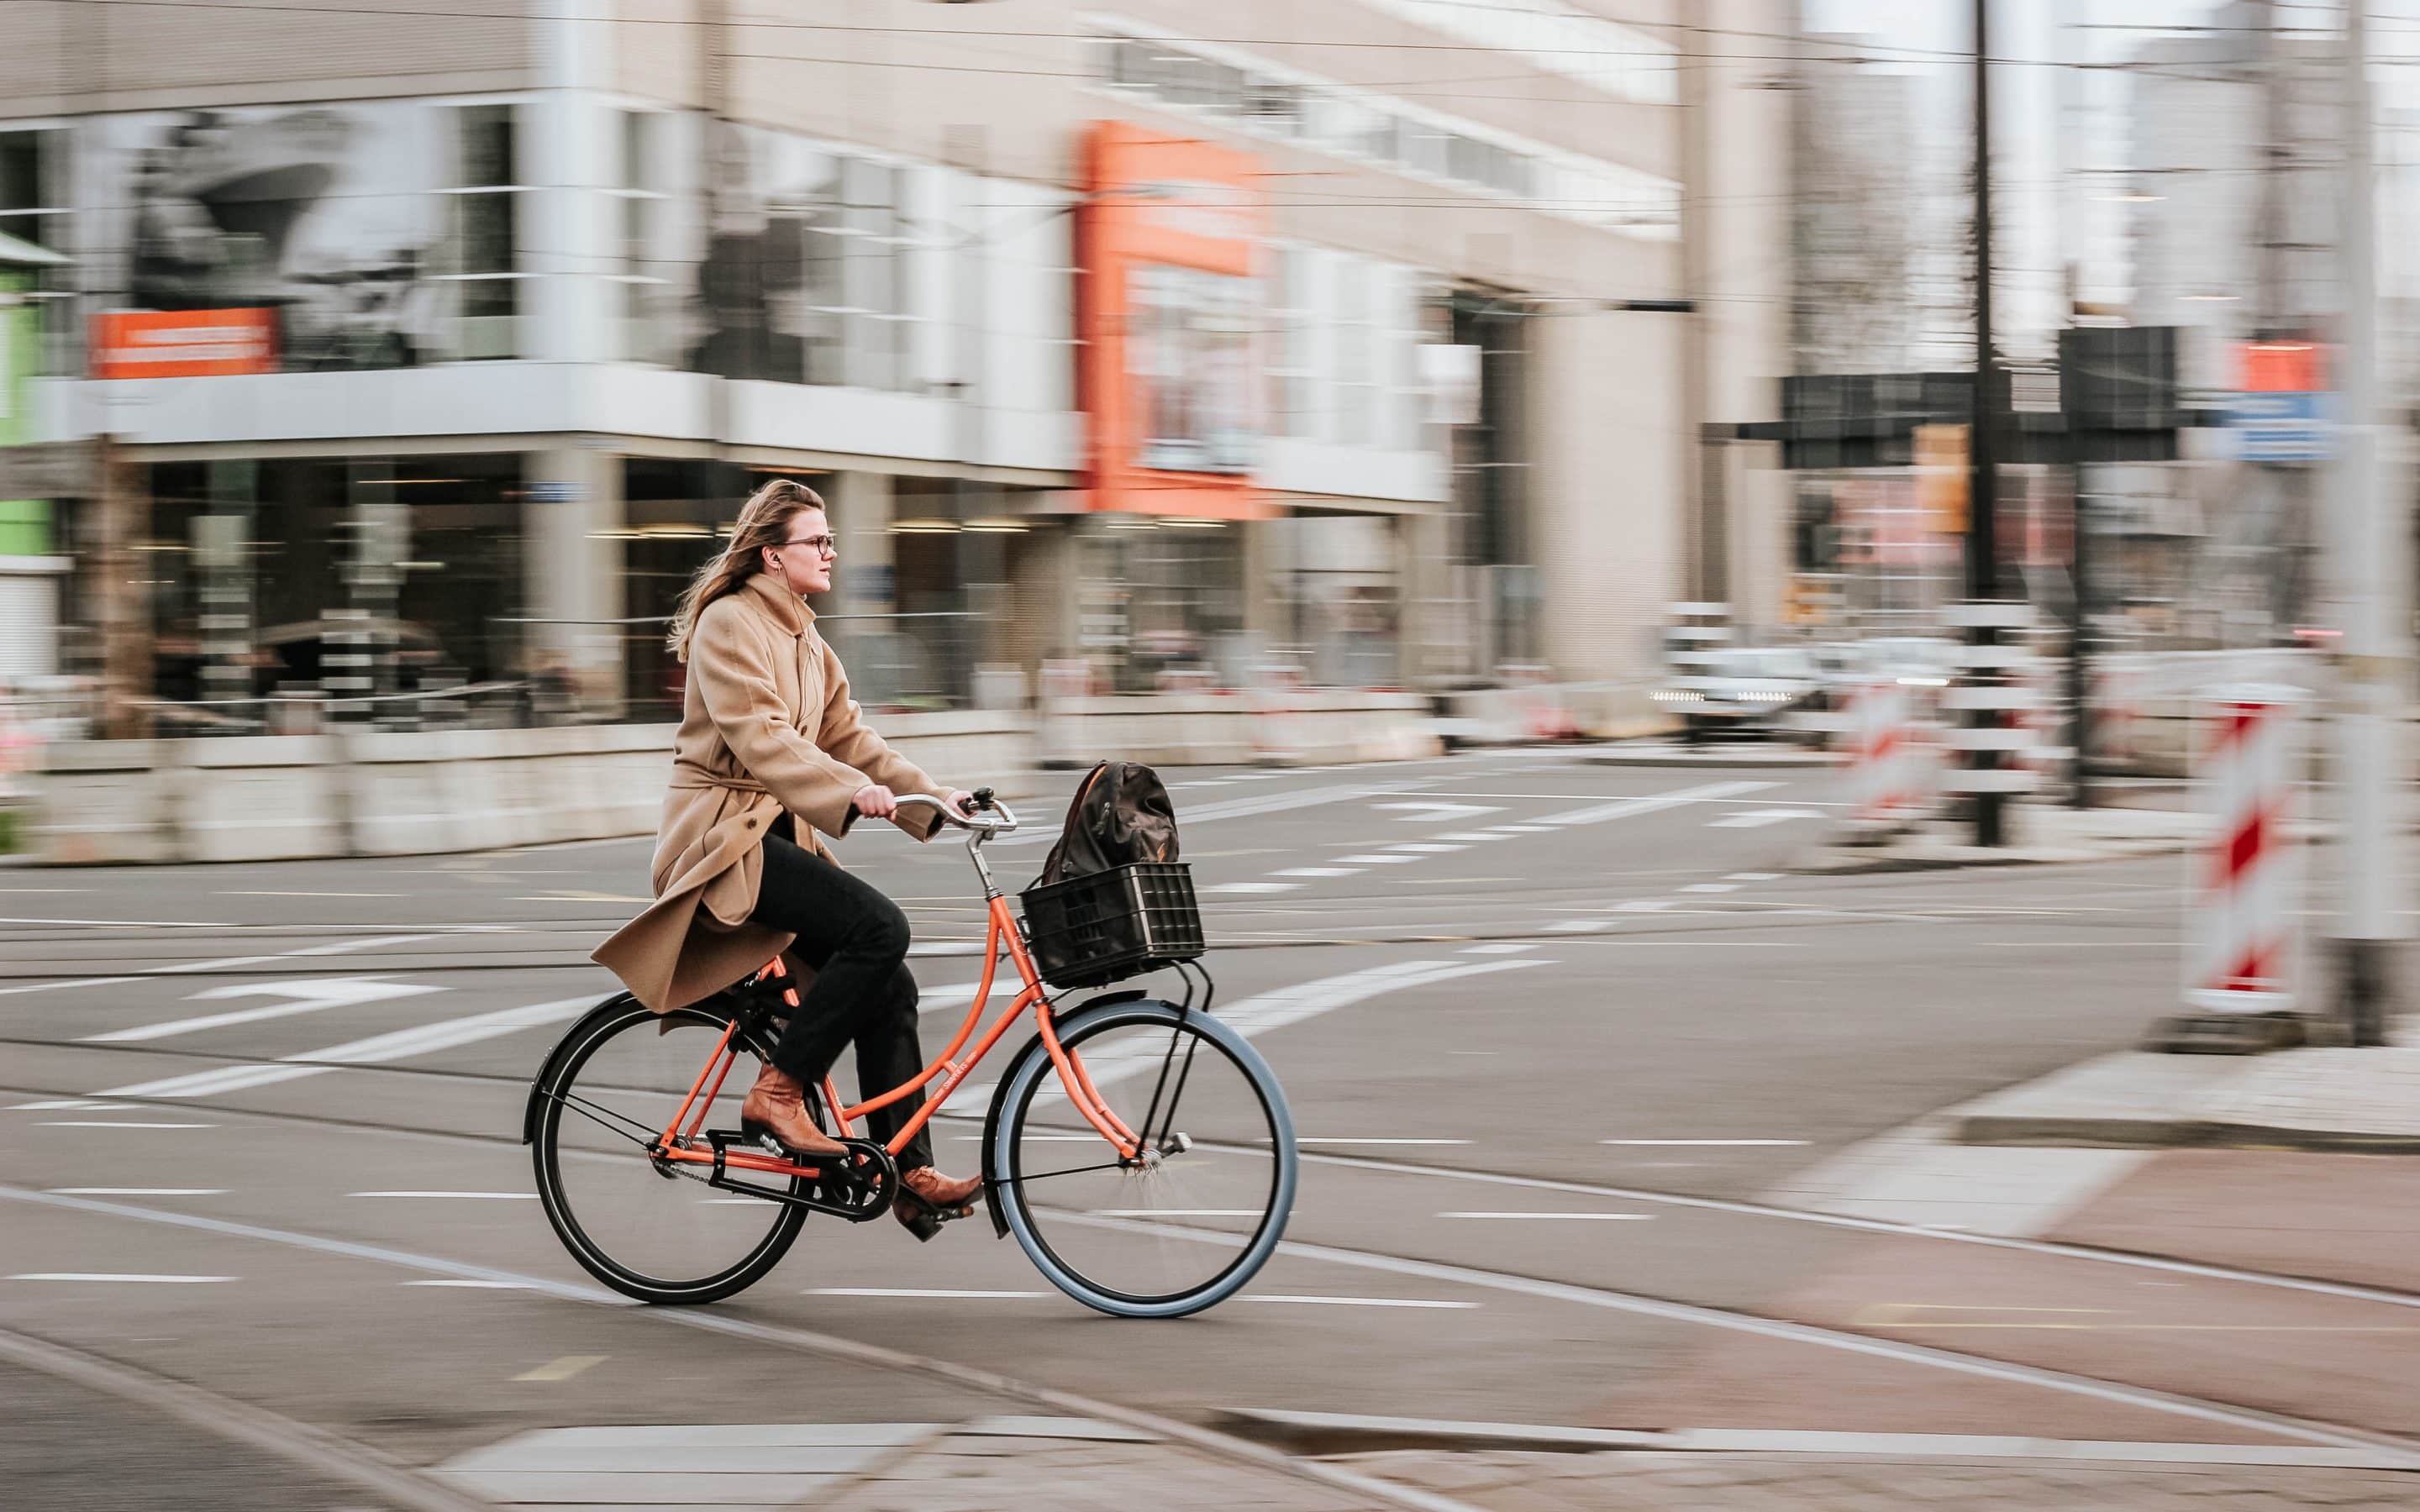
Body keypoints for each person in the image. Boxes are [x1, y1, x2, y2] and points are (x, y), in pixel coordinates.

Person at [592, 479, 984, 1235]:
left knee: (890, 984)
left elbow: (852, 739)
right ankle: (779, 1092)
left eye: (831, 539)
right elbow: (763, 739)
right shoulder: (729, 624)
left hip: (773, 836)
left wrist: (938, 799)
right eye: (818, 540)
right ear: (772, 555)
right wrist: (850, 792)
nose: (831, 551)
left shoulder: (807, 638)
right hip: (723, 838)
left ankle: (906, 1170)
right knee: (880, 928)